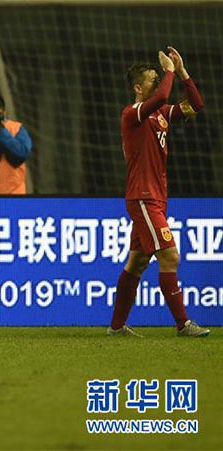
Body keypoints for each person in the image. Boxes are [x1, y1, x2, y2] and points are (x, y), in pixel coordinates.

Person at [108, 46, 209, 338]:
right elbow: (164, 94)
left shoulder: (162, 114)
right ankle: (183, 325)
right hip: (142, 197)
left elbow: (197, 105)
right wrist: (167, 70)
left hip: (156, 197)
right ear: (139, 88)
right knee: (170, 256)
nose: (160, 83)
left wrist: (182, 72)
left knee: (137, 262)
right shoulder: (132, 113)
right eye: (153, 79)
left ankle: (116, 328)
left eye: (158, 78)